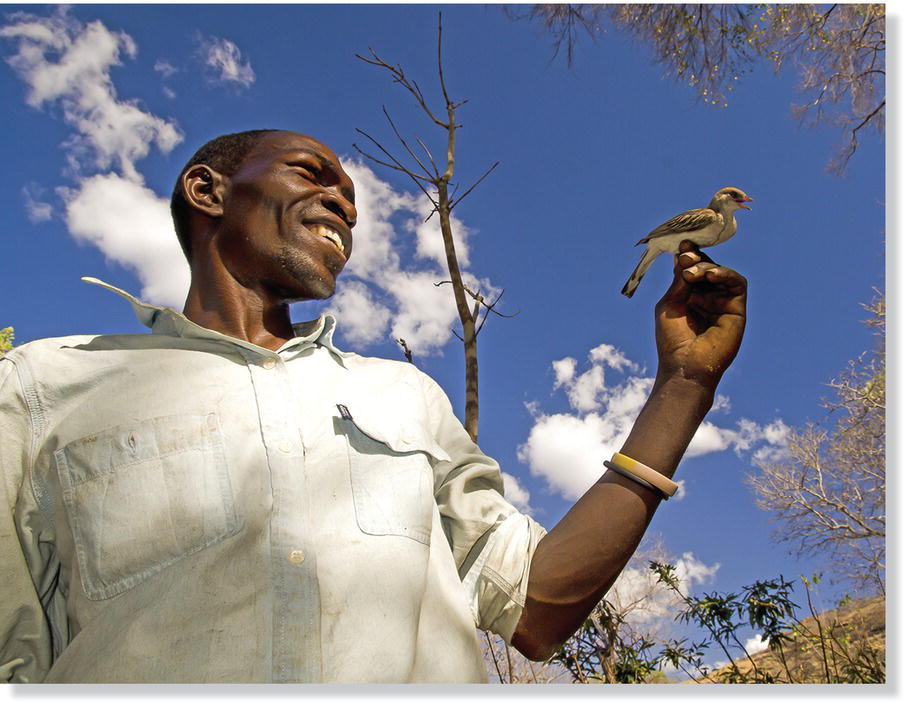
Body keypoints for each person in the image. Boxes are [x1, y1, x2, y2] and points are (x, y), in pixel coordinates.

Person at [0, 130, 747, 683]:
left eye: (354, 206)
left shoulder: (403, 394)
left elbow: (537, 607)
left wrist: (682, 389)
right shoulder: (42, 388)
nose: (343, 208)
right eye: (312, 174)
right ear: (208, 191)